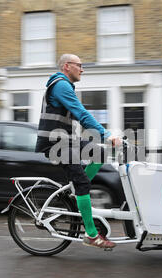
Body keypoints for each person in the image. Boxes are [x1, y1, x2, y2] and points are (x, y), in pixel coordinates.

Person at [35, 54, 122, 249]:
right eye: (79, 65)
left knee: (99, 154)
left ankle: (76, 193)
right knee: (82, 182)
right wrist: (106, 134)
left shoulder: (64, 85)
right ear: (67, 66)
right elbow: (82, 113)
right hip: (55, 143)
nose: (82, 69)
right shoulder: (60, 85)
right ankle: (91, 235)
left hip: (66, 140)